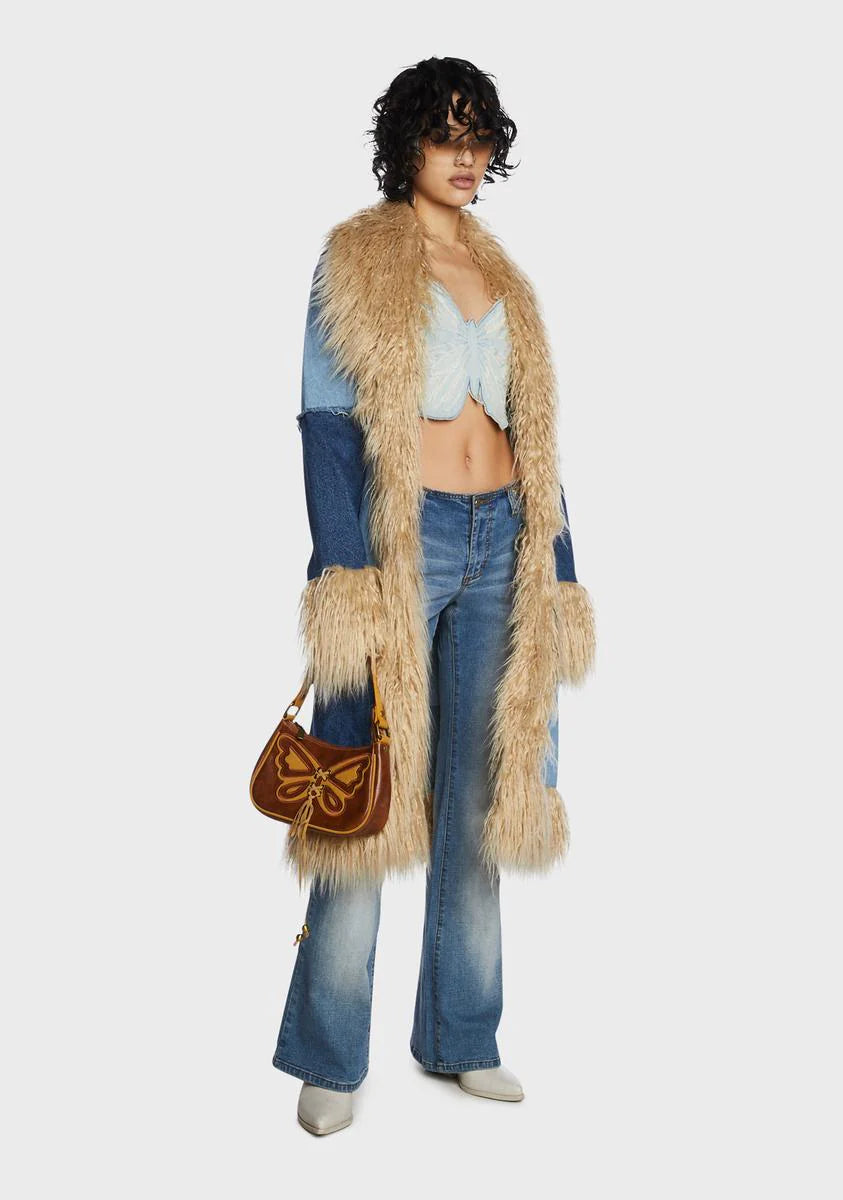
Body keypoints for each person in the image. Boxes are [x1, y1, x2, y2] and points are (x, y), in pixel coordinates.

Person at [271, 56, 596, 1136]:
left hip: (505, 537)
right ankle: (329, 1055)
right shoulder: (356, 256)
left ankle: (463, 1035)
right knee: (361, 799)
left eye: (479, 136)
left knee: (479, 797)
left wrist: (561, 570)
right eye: (446, 134)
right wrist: (345, 571)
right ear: (405, 142)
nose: (466, 155)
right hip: (401, 543)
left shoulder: (504, 272)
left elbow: (537, 436)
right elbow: (326, 427)